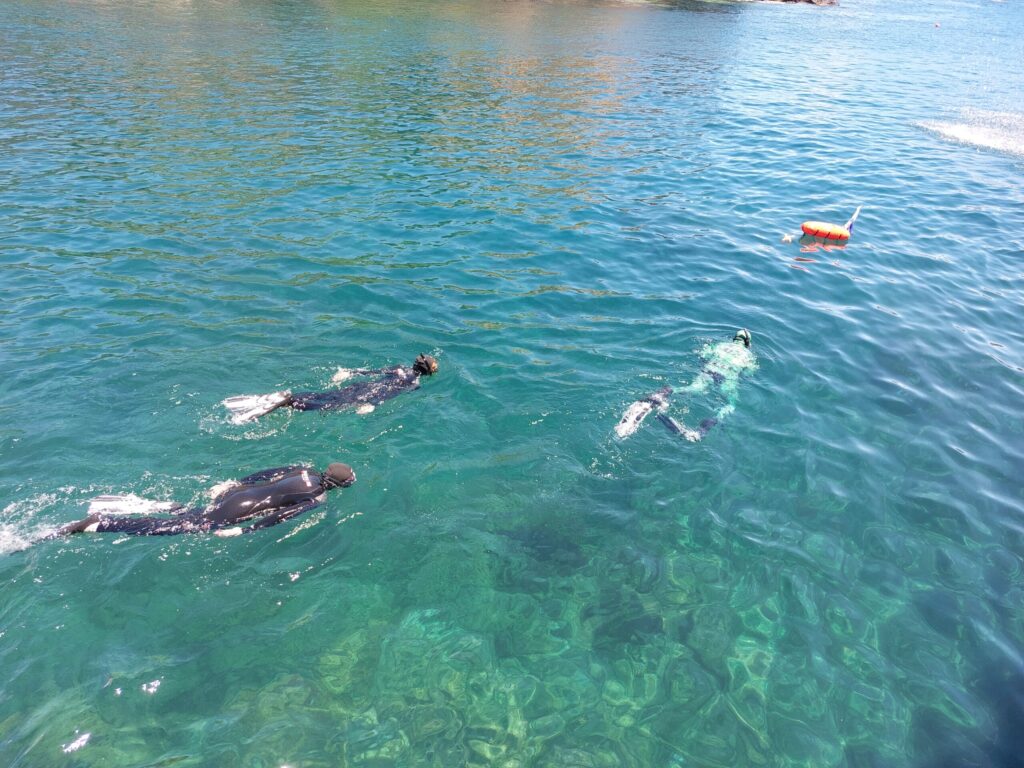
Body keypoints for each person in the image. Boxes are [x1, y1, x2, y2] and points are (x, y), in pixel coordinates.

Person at [55, 463, 356, 538]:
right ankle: (102, 523)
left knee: (199, 513)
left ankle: (158, 504)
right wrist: (245, 530)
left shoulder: (304, 468)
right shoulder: (316, 498)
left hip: (237, 495)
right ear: (339, 485)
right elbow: (279, 517)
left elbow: (269, 473)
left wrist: (238, 482)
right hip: (240, 510)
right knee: (191, 527)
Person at [614, 330, 757, 442]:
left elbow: (703, 354)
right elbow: (749, 373)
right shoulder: (749, 355)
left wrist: (703, 367)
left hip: (710, 369)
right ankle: (705, 427)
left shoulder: (720, 345)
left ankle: (666, 392)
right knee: (730, 404)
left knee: (694, 389)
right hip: (728, 376)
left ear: (734, 339)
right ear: (747, 343)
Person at [222, 354, 439, 423]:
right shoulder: (413, 385)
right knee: (324, 405)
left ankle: (291, 397)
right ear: (427, 372)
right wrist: (371, 404)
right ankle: (286, 402)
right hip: (366, 396)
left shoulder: (399, 369)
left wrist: (351, 372)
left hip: (360, 385)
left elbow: (373, 373)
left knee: (325, 396)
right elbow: (390, 393)